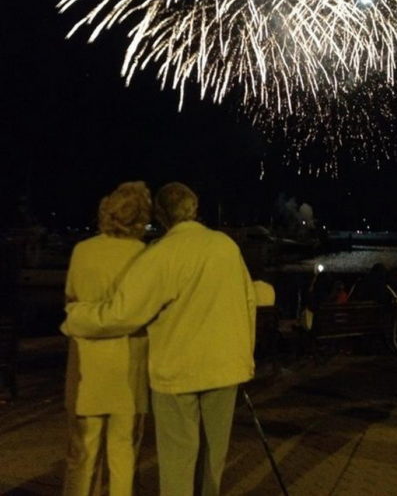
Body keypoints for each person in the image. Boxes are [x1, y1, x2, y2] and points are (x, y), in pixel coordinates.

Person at [63, 182, 256, 496]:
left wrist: (78, 317)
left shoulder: (161, 254)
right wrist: (245, 357)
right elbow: (247, 300)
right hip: (224, 367)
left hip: (176, 373)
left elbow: (124, 314)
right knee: (211, 460)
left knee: (178, 460)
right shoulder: (226, 246)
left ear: (163, 217)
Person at [63, 181, 151, 496]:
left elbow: (71, 298)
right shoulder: (144, 256)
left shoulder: (82, 251)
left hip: (88, 364)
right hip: (128, 367)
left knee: (81, 454)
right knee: (123, 452)